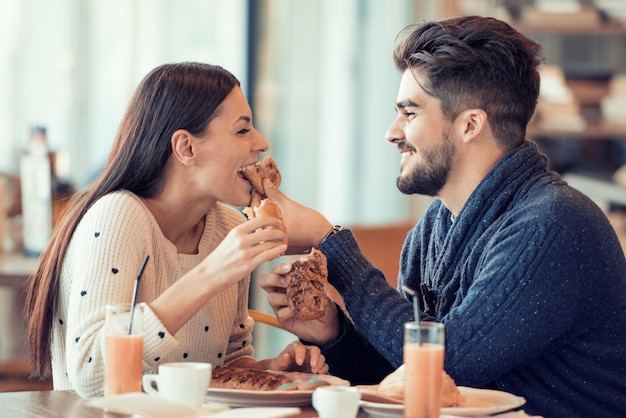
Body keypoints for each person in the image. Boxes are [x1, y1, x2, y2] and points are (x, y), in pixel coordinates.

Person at [257, 16, 626, 418]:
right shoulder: (434, 227)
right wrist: (335, 336)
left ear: (470, 124)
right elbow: (406, 379)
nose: (392, 132)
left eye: (409, 113)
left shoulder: (551, 227)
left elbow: (445, 369)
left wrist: (333, 245)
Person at [25, 62, 328, 398]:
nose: (261, 143)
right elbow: (93, 375)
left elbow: (223, 366)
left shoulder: (229, 227)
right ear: (186, 147)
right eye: (242, 130)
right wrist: (212, 273)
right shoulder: (118, 216)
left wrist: (272, 371)